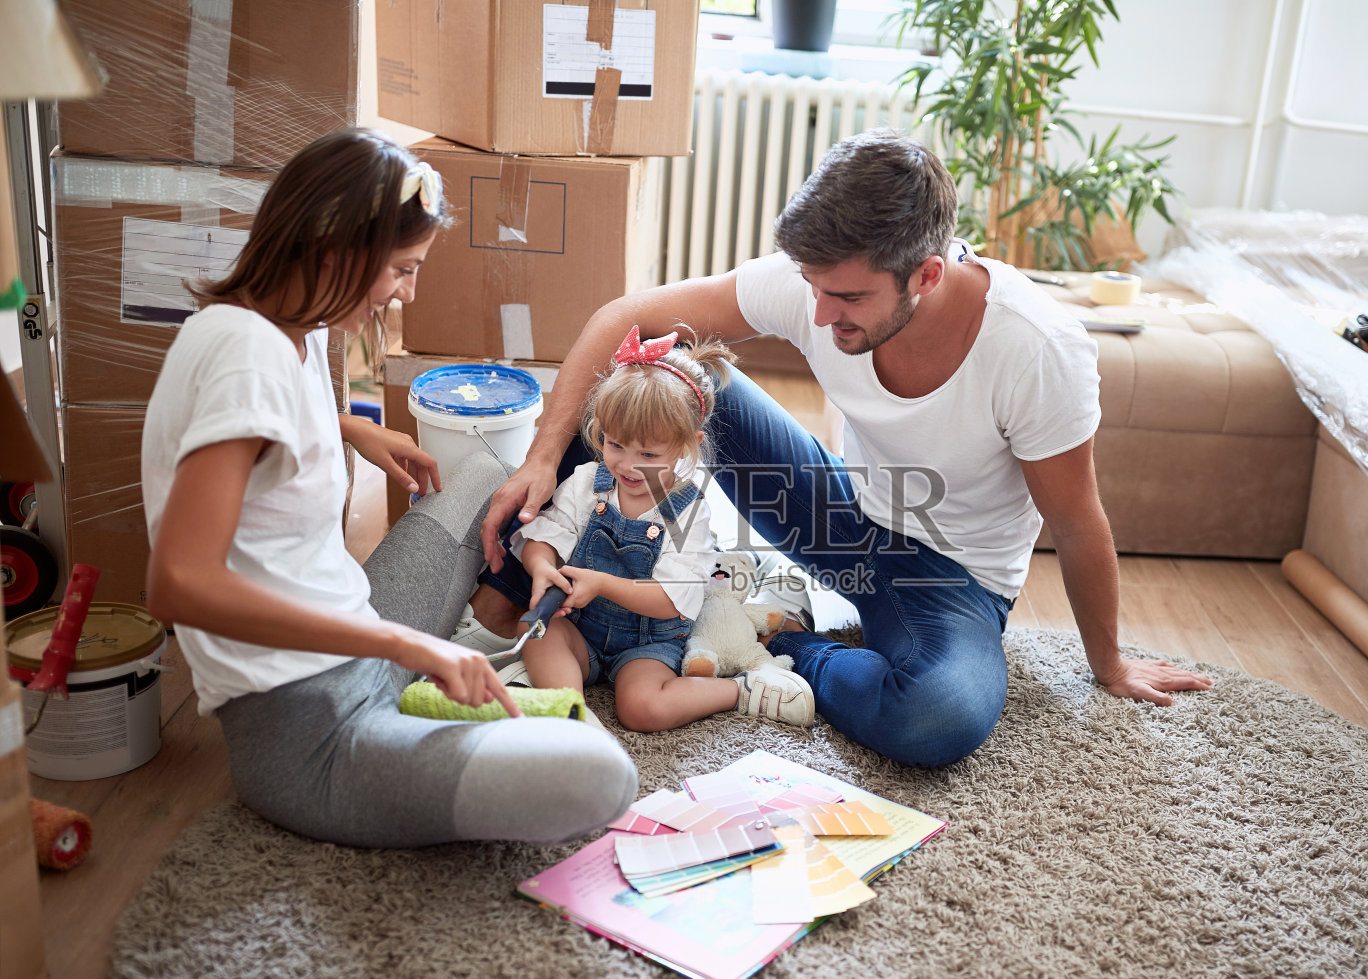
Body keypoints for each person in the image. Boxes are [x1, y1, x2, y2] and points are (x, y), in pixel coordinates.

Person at [464, 128, 1213, 767]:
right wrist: (539, 458)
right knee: (653, 371)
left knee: (938, 717)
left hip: (950, 576)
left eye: (847, 298)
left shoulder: (1036, 350)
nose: (819, 314)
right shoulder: (822, 285)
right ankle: (510, 599)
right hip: (838, 512)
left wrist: (1107, 663)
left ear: (926, 273)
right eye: (813, 287)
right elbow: (625, 315)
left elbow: (1079, 521)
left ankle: (788, 646)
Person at [140, 128, 637, 849]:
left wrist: (347, 427)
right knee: (601, 774)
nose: (408, 292)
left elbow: (250, 423)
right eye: (401, 269)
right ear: (337, 251)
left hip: (360, 635)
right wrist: (410, 646)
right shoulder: (245, 360)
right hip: (312, 731)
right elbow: (177, 584)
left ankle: (464, 646)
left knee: (488, 472)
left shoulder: (285, 326)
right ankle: (448, 666)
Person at [500, 325, 816, 732]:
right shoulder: (587, 481)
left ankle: (743, 689)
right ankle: (571, 715)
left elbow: (675, 599)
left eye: (648, 453)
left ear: (688, 445)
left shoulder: (687, 512)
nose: (628, 465)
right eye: (615, 445)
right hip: (582, 629)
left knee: (641, 710)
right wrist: (541, 566)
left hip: (650, 643)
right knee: (542, 634)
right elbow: (547, 534)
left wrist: (600, 583)